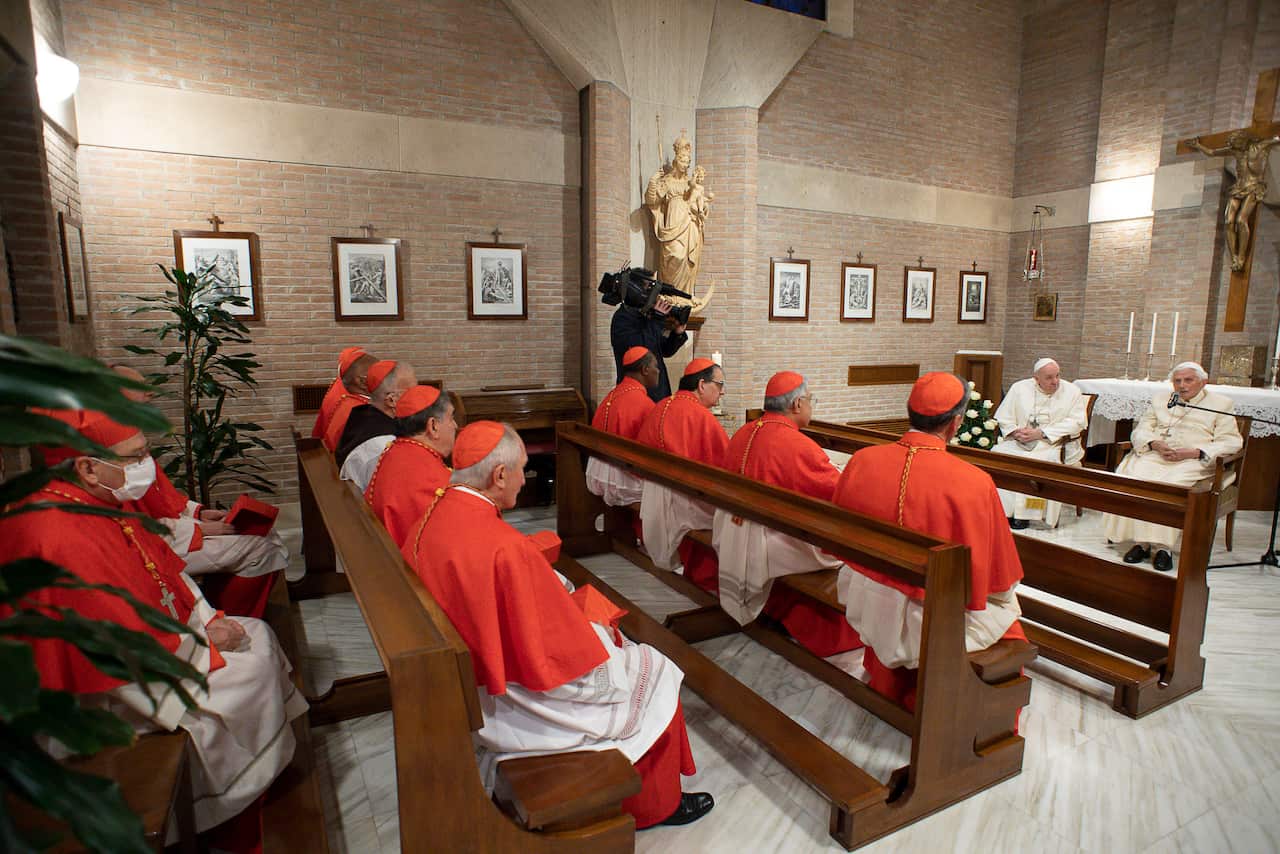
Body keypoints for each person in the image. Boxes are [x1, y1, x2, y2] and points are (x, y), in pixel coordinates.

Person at [0, 409, 307, 849]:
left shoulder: (93, 503)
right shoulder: (56, 535)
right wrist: (201, 646)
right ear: (87, 467)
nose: (146, 464)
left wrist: (206, 620)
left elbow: (160, 571)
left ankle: (249, 789)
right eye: (135, 456)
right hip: (103, 697)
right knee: (250, 672)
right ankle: (223, 810)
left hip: (148, 653)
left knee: (256, 636)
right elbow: (109, 646)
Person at [402, 421, 713, 828]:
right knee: (653, 668)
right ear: (499, 475)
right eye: (522, 469)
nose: (524, 478)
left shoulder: (434, 512)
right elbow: (558, 657)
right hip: (510, 702)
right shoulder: (504, 548)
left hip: (465, 681)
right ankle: (655, 805)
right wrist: (600, 633)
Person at [831, 373, 1026, 709]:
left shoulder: (862, 460)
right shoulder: (974, 482)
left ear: (910, 412)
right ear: (955, 423)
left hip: (866, 599)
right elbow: (998, 578)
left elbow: (839, 536)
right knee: (1008, 613)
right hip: (928, 615)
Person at [109, 366, 289, 618]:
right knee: (261, 548)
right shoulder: (112, 446)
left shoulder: (127, 432)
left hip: (174, 528)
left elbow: (161, 495)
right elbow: (138, 521)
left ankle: (223, 609)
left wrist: (199, 512)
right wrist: (201, 529)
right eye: (140, 387)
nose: (150, 393)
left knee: (265, 533)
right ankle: (233, 615)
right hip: (157, 543)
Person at [714, 371, 862, 657]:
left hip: (734, 531)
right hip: (770, 540)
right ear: (796, 404)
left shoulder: (745, 431)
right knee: (850, 545)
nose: (810, 406)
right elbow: (837, 492)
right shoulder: (796, 444)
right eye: (810, 400)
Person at [1102, 362, 1242, 572]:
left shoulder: (1220, 404)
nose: (1182, 385)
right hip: (1156, 455)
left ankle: (1163, 548)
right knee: (1136, 478)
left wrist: (1195, 452)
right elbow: (1141, 430)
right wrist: (1154, 443)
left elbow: (1231, 441)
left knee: (1169, 486)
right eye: (1177, 381)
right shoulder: (1161, 399)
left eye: (1188, 380)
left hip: (1193, 461)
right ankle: (1142, 543)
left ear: (1203, 382)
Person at [635, 358, 728, 592]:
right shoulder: (701, 416)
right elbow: (724, 469)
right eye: (719, 384)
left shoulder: (662, 404)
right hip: (685, 499)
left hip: (654, 495)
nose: (722, 391)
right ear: (702, 385)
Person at [990, 358, 1089, 529]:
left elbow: (1077, 422)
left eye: (1057, 375)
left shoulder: (1072, 391)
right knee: (999, 456)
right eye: (1049, 378)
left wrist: (1041, 433)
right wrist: (1015, 432)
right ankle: (1004, 511)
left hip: (1052, 443)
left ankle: (1027, 514)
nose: (1055, 381)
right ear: (1036, 379)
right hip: (1020, 441)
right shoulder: (1019, 388)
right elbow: (1004, 416)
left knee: (1035, 464)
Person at [365, 385, 457, 547]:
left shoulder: (397, 450)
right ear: (433, 426)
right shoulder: (431, 479)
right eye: (451, 418)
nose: (455, 426)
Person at [1184, 131, 1280, 271]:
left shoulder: (1259, 146)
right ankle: (1234, 256)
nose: (1230, 144)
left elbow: (1276, 139)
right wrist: (1198, 145)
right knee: (1228, 221)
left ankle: (1241, 257)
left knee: (1241, 220)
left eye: (1234, 142)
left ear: (1243, 140)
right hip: (1238, 188)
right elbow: (1212, 152)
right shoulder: (1235, 151)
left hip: (1254, 187)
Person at [586, 346, 659, 506]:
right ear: (645, 369)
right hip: (623, 480)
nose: (658, 371)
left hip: (598, 473)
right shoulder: (644, 403)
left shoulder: (612, 394)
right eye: (656, 366)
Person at [329, 360, 417, 466]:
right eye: (413, 391)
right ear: (391, 400)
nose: (418, 396)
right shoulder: (386, 444)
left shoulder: (362, 416)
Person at [611, 298, 689, 402]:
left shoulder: (647, 318)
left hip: (658, 388)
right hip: (635, 393)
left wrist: (677, 333)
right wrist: (657, 319)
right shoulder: (623, 317)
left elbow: (664, 350)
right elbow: (641, 350)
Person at [317, 350, 377, 451]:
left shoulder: (349, 401)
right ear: (361, 382)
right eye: (378, 373)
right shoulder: (362, 413)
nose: (384, 377)